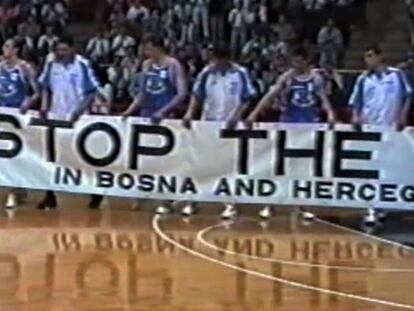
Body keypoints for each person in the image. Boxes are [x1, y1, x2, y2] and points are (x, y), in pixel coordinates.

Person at [247, 47, 335, 221]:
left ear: (305, 61)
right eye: (293, 61)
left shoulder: (316, 79)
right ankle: (270, 203)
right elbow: (270, 96)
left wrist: (331, 114)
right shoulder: (287, 78)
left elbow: (323, 99)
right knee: (279, 166)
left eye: (298, 61)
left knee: (304, 169)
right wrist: (254, 113)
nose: (295, 64)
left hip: (309, 127)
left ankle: (302, 205)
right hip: (288, 126)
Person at [182, 42, 256, 220]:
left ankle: (229, 203)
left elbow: (248, 97)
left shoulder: (240, 73)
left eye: (217, 59)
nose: (214, 62)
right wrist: (190, 113)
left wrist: (237, 116)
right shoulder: (207, 72)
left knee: (228, 166)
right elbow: (197, 95)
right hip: (208, 124)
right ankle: (193, 200)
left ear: (226, 58)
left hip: (230, 126)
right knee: (202, 163)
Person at [122, 33, 188, 215]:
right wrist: (129, 110)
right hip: (147, 115)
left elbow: (181, 93)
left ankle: (167, 198)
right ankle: (143, 192)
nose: (144, 51)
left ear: (157, 47)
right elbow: (142, 93)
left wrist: (164, 111)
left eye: (147, 47)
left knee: (167, 159)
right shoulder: (146, 65)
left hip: (167, 117)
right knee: (145, 158)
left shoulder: (173, 65)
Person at [349, 46, 412, 226]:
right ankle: (370, 208)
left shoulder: (396, 75)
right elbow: (356, 103)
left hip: (391, 128)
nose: (367, 60)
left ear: (379, 56)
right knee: (371, 169)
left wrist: (403, 115)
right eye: (365, 57)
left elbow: (407, 96)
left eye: (370, 56)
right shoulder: (362, 79)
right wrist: (355, 117)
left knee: (388, 168)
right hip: (370, 129)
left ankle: (383, 205)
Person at [37, 35, 101, 210]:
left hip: (78, 118)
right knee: (50, 158)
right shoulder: (51, 64)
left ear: (73, 49)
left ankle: (96, 193)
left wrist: (78, 112)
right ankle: (49, 195)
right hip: (55, 116)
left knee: (82, 157)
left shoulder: (83, 64)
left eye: (64, 50)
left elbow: (91, 92)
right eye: (58, 50)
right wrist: (44, 105)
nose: (60, 53)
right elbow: (45, 88)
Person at [0, 37, 39, 212]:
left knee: (17, 153)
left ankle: (18, 187)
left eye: (8, 46)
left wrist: (27, 103)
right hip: (2, 114)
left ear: (16, 50)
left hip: (18, 117)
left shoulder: (25, 68)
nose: (4, 49)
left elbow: (37, 92)